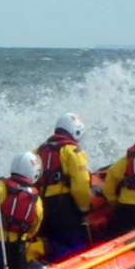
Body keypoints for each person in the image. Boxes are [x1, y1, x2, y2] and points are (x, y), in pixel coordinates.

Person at [35, 112, 92, 261]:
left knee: (50, 247)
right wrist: (84, 208)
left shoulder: (39, 151)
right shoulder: (73, 151)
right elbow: (80, 184)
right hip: (64, 206)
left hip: (43, 208)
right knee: (76, 248)